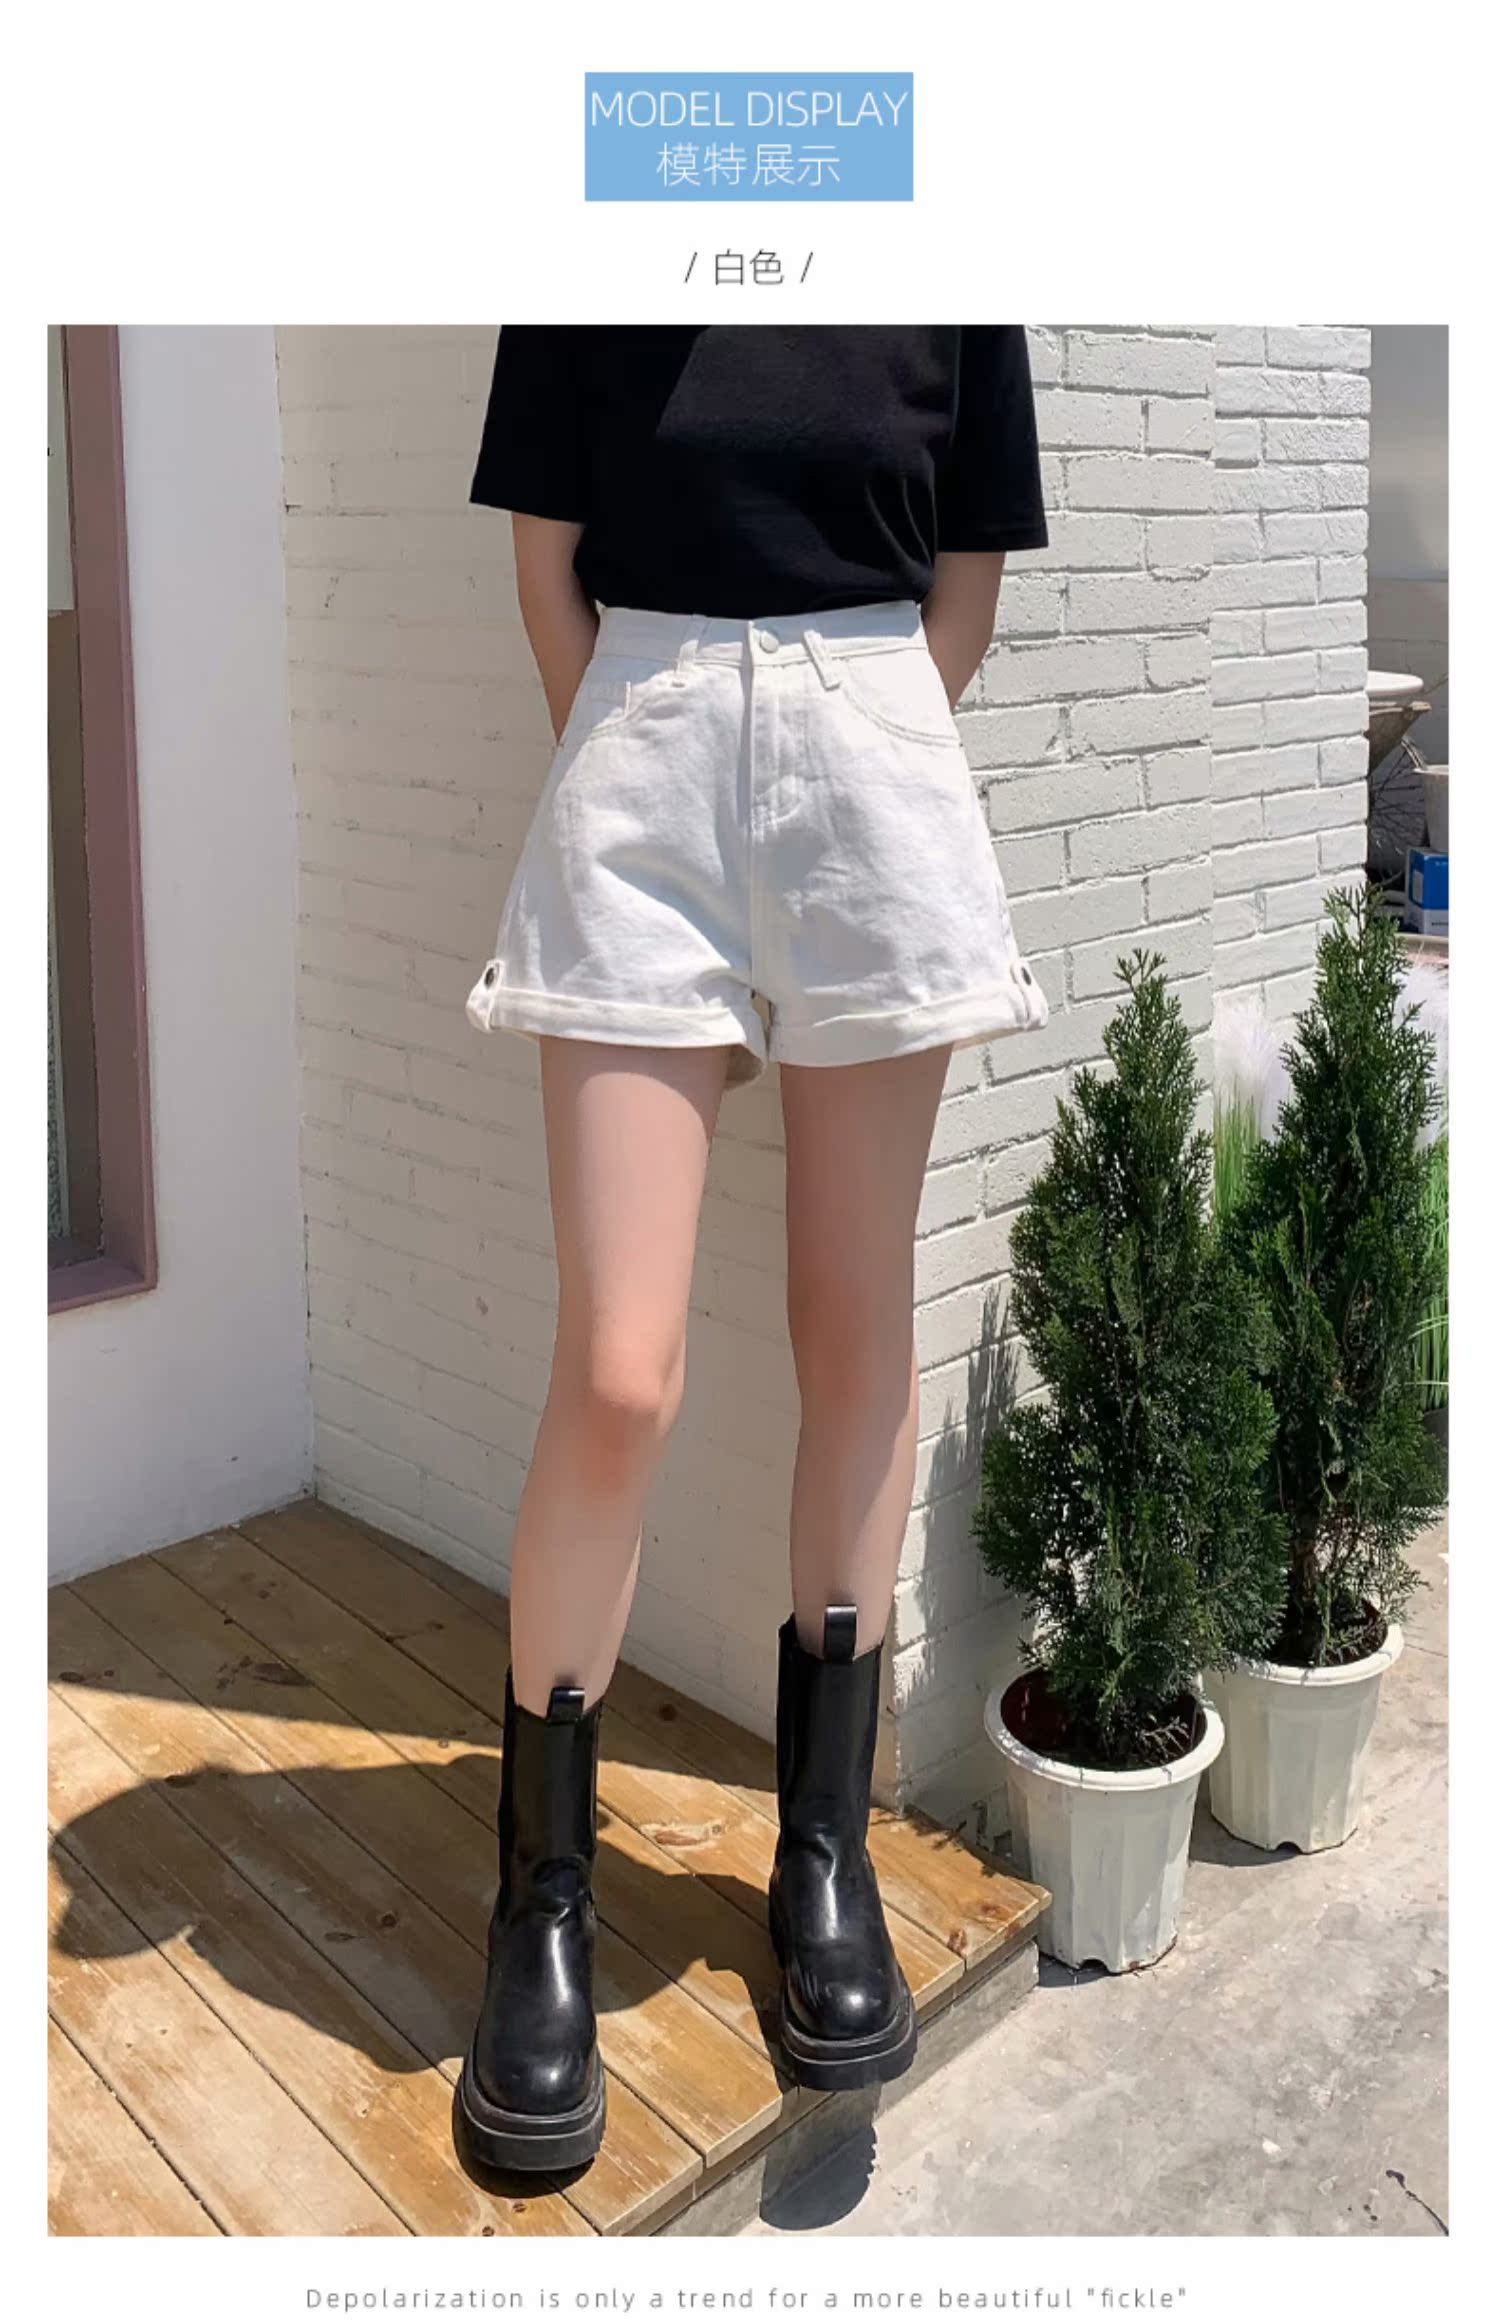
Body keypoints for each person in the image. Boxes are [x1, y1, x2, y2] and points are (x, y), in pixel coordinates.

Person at [455, 326, 1049, 2173]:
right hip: (641, 748)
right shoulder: (595, 227)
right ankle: (544, 1893)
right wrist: (658, 742)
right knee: (620, 1368)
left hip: (877, 745)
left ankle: (822, 1850)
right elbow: (548, 561)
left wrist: (860, 743)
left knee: (852, 1323)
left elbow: (966, 570)